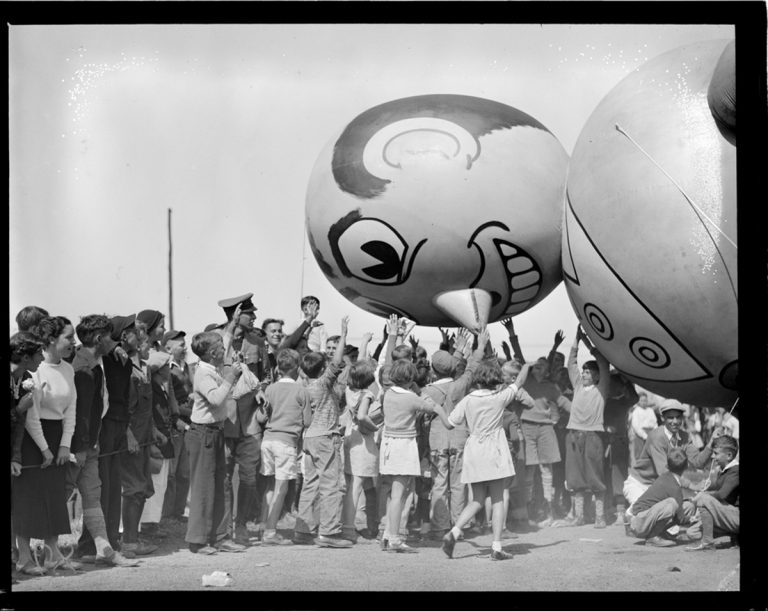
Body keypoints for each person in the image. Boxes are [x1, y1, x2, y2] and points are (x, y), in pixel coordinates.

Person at [440, 346, 532, 562]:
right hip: (495, 450)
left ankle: (453, 532)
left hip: (474, 450)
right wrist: (525, 364)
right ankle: (497, 547)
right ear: (497, 380)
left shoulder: (468, 400)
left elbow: (450, 423)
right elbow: (519, 382)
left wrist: (437, 408)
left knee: (477, 499)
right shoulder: (500, 397)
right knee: (498, 499)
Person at [67, 314, 140, 568]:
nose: (116, 340)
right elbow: (83, 414)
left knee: (92, 495)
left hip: (89, 443)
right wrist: (83, 447)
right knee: (59, 495)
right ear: (99, 339)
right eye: (111, 337)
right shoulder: (85, 368)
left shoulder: (97, 360)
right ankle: (44, 552)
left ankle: (104, 549)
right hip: (78, 446)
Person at [379, 355, 454, 553]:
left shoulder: (387, 394)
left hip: (388, 444)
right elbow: (433, 406)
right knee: (399, 494)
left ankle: (388, 534)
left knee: (393, 492)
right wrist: (448, 422)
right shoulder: (411, 397)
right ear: (410, 379)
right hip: (403, 446)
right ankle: (394, 538)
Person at [184, 331, 246, 554]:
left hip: (216, 432)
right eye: (221, 346)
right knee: (203, 488)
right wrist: (231, 377)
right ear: (212, 353)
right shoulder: (203, 373)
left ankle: (220, 536)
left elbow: (226, 340)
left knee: (222, 485)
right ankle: (198, 541)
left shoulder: (212, 368)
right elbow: (216, 398)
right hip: (203, 435)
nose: (225, 349)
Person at [292, 316, 351, 548]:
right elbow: (337, 364)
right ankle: (329, 532)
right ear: (322, 369)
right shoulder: (322, 384)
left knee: (311, 483)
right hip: (326, 438)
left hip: (309, 439)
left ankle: (302, 530)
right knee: (330, 485)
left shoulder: (304, 387)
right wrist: (344, 335)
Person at [421, 329, 483, 540]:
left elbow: (449, 368)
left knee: (439, 484)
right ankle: (459, 526)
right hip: (459, 439)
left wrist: (456, 350)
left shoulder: (427, 391)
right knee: (458, 485)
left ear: (432, 369)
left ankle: (439, 527)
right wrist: (478, 346)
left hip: (437, 441)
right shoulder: (460, 386)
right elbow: (471, 368)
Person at [559, 325, 611, 528]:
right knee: (574, 476)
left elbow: (604, 364)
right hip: (573, 434)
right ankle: (579, 516)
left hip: (593, 436)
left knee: (595, 476)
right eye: (584, 371)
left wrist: (589, 343)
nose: (585, 373)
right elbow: (571, 364)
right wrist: (576, 341)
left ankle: (600, 517)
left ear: (597, 376)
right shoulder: (578, 386)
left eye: (589, 371)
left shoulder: (601, 388)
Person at [259, 348, 312, 545]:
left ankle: (264, 526)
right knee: (282, 487)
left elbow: (261, 416)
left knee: (270, 486)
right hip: (286, 442)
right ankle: (270, 533)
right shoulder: (301, 391)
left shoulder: (270, 389)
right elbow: (307, 421)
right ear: (297, 368)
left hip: (268, 439)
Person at [624, 398, 717, 508]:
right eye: (670, 417)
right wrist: (691, 485)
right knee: (643, 516)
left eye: (678, 417)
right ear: (662, 418)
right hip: (640, 484)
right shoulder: (656, 436)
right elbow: (664, 473)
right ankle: (629, 517)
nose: (675, 421)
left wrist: (711, 444)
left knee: (694, 504)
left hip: (665, 484)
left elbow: (698, 462)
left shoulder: (684, 436)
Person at [120, 323, 163, 557]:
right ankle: (129, 542)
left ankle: (132, 540)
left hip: (145, 436)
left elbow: (146, 407)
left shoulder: (144, 369)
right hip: (132, 439)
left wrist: (154, 430)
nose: (149, 347)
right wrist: (128, 436)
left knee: (143, 488)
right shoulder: (126, 370)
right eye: (145, 342)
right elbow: (123, 408)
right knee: (134, 489)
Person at [10, 331, 50, 576]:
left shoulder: (25, 377)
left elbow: (20, 424)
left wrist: (15, 456)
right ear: (25, 356)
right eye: (38, 355)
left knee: (19, 505)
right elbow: (18, 414)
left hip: (15, 449)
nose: (41, 360)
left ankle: (23, 559)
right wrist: (18, 408)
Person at [519, 357, 571, 528]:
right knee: (529, 470)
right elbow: (520, 359)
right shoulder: (525, 383)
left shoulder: (550, 387)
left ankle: (549, 513)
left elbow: (563, 402)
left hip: (546, 428)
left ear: (547, 370)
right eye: (535, 366)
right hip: (527, 427)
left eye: (541, 367)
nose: (537, 369)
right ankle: (526, 515)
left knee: (546, 470)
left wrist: (583, 411)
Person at [340, 359, 381, 542]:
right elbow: (363, 416)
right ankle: (349, 527)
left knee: (350, 485)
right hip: (362, 439)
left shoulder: (349, 391)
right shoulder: (367, 394)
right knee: (357, 486)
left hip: (349, 436)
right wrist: (374, 427)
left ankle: (345, 524)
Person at [139, 351, 175, 538]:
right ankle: (148, 524)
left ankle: (153, 522)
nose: (169, 370)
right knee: (155, 482)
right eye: (167, 366)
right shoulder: (152, 389)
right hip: (157, 439)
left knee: (161, 483)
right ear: (160, 370)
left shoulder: (159, 387)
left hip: (163, 437)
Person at [625, 448, 690, 547]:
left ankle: (659, 533)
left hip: (637, 519)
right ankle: (653, 537)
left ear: (667, 465)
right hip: (637, 523)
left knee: (685, 505)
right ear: (686, 466)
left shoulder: (665, 477)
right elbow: (680, 518)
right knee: (672, 504)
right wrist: (693, 520)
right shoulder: (674, 487)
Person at [685, 435, 739, 552]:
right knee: (691, 533)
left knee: (703, 499)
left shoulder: (735, 471)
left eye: (716, 453)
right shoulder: (723, 470)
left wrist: (702, 496)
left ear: (729, 455)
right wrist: (706, 485)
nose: (713, 457)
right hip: (727, 516)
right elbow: (719, 487)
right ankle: (733, 534)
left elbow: (722, 494)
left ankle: (707, 543)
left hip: (736, 516)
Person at [161, 329, 193, 523]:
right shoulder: (166, 368)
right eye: (180, 344)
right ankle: (166, 514)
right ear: (168, 347)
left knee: (184, 472)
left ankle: (178, 511)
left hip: (188, 425)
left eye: (184, 343)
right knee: (171, 474)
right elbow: (167, 401)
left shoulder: (187, 367)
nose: (184, 347)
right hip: (176, 424)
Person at [602, 371, 639, 525]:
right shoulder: (602, 400)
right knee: (604, 476)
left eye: (614, 384)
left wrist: (626, 380)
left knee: (618, 476)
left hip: (618, 442)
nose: (611, 387)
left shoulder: (624, 400)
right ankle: (606, 510)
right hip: (603, 442)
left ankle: (620, 512)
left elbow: (634, 397)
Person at [629, 388, 659, 466]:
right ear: (638, 401)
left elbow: (655, 423)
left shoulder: (650, 410)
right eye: (642, 401)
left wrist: (653, 434)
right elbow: (636, 425)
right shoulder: (636, 411)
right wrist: (644, 435)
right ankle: (640, 471)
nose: (644, 402)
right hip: (640, 435)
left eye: (645, 400)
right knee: (640, 455)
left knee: (650, 454)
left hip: (651, 433)